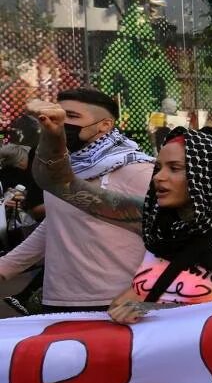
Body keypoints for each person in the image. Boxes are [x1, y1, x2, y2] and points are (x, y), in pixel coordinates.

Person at [29, 114, 212, 322]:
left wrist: (156, 313)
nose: (158, 177)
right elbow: (61, 185)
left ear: (211, 176)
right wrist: (53, 135)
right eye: (158, 167)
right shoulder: (152, 221)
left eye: (175, 168)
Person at [0, 90, 154, 313]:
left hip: (115, 303)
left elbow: (163, 235)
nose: (61, 122)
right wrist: (6, 268)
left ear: (105, 125)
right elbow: (55, 225)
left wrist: (144, 296)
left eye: (71, 116)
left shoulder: (138, 170)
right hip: (57, 300)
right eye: (57, 114)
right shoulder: (61, 167)